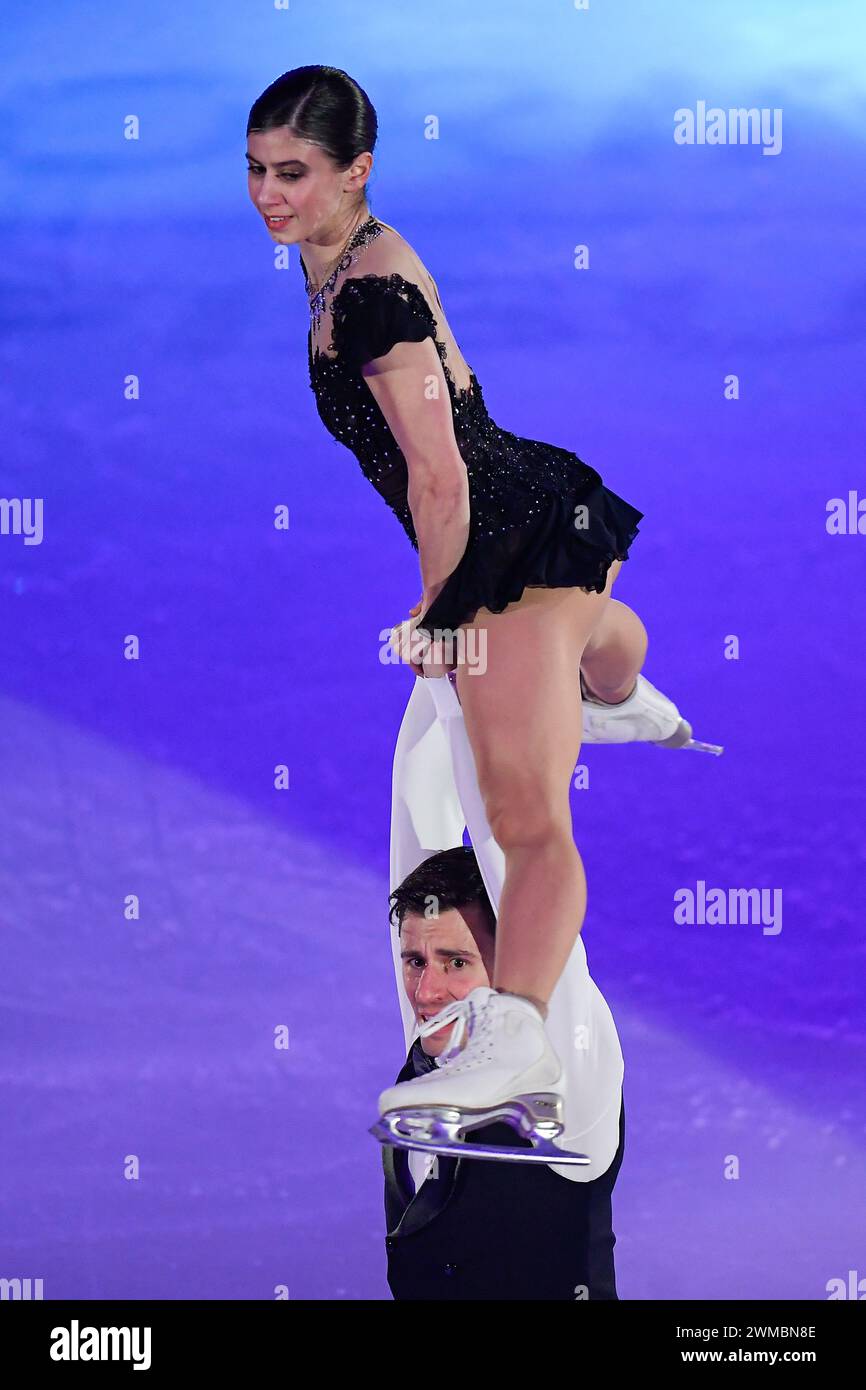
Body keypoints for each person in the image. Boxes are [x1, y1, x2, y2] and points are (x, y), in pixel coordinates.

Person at [247, 65, 653, 1157]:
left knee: (525, 823)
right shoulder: (341, 254)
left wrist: (443, 616)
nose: (269, 195)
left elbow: (436, 476)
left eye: (294, 173)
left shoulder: (368, 291)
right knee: (595, 646)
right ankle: (617, 676)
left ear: (355, 174)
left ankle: (514, 1038)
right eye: (256, 170)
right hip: (531, 503)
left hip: (508, 545)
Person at [383, 663, 626, 1299]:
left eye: (457, 963)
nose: (426, 992)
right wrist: (434, 664)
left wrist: (472, 662)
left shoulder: (570, 1070)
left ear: (521, 948)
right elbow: (416, 792)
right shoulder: (438, 1037)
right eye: (415, 961)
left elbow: (509, 842)